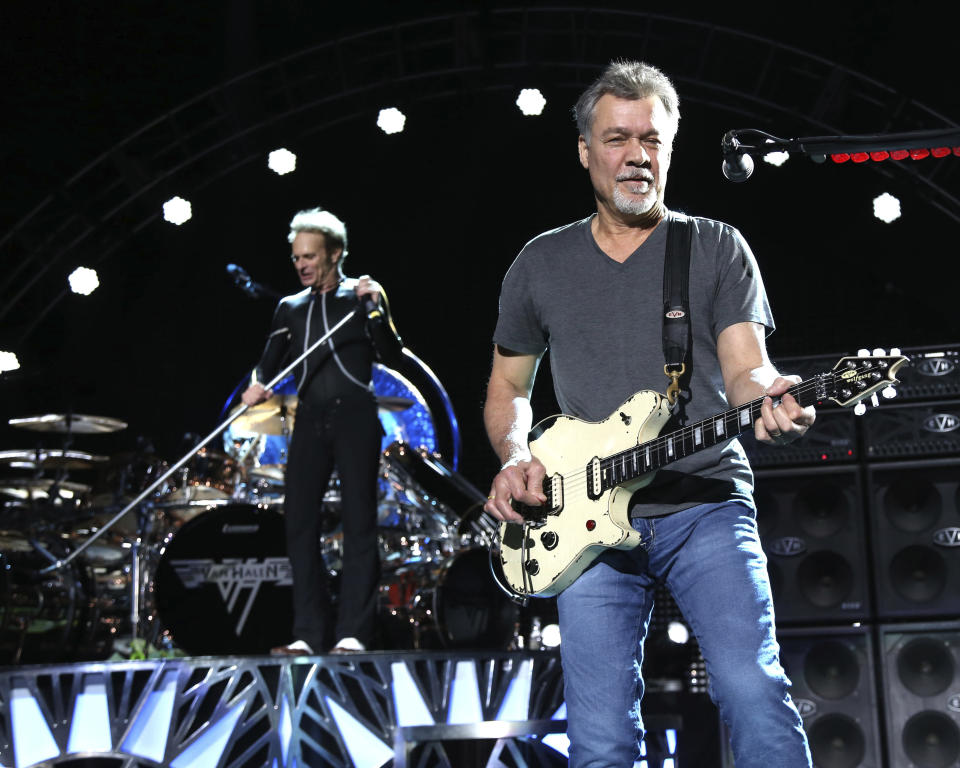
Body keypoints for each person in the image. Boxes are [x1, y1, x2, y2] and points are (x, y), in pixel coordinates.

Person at [482, 61, 815, 767]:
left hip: (704, 505)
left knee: (751, 688)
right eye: (617, 138)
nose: (637, 155)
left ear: (670, 146)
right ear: (584, 150)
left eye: (653, 140)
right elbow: (509, 388)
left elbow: (745, 369)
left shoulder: (716, 245)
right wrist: (516, 457)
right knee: (600, 743)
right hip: (587, 525)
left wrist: (771, 393)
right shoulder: (540, 263)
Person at [242, 207, 402, 655]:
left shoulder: (362, 295)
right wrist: (258, 384)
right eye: (296, 258)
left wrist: (375, 310)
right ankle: (308, 633)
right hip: (310, 419)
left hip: (354, 415)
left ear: (335, 253)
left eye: (309, 256)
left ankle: (353, 632)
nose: (301, 265)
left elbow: (390, 353)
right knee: (298, 523)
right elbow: (268, 364)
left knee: (358, 523)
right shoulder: (289, 308)